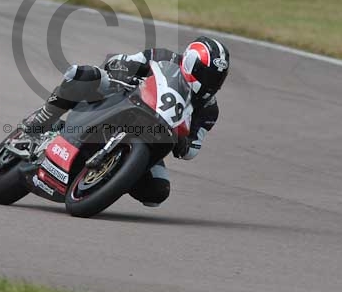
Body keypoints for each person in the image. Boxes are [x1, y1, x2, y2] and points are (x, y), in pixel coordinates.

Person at [19, 36, 230, 207]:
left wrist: (185, 144)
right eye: (207, 74)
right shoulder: (162, 56)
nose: (211, 82)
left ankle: (112, 175)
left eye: (216, 78)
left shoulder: (209, 110)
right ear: (191, 63)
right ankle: (41, 121)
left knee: (157, 192)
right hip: (120, 101)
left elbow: (194, 147)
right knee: (85, 75)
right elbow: (121, 61)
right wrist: (122, 69)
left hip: (155, 135)